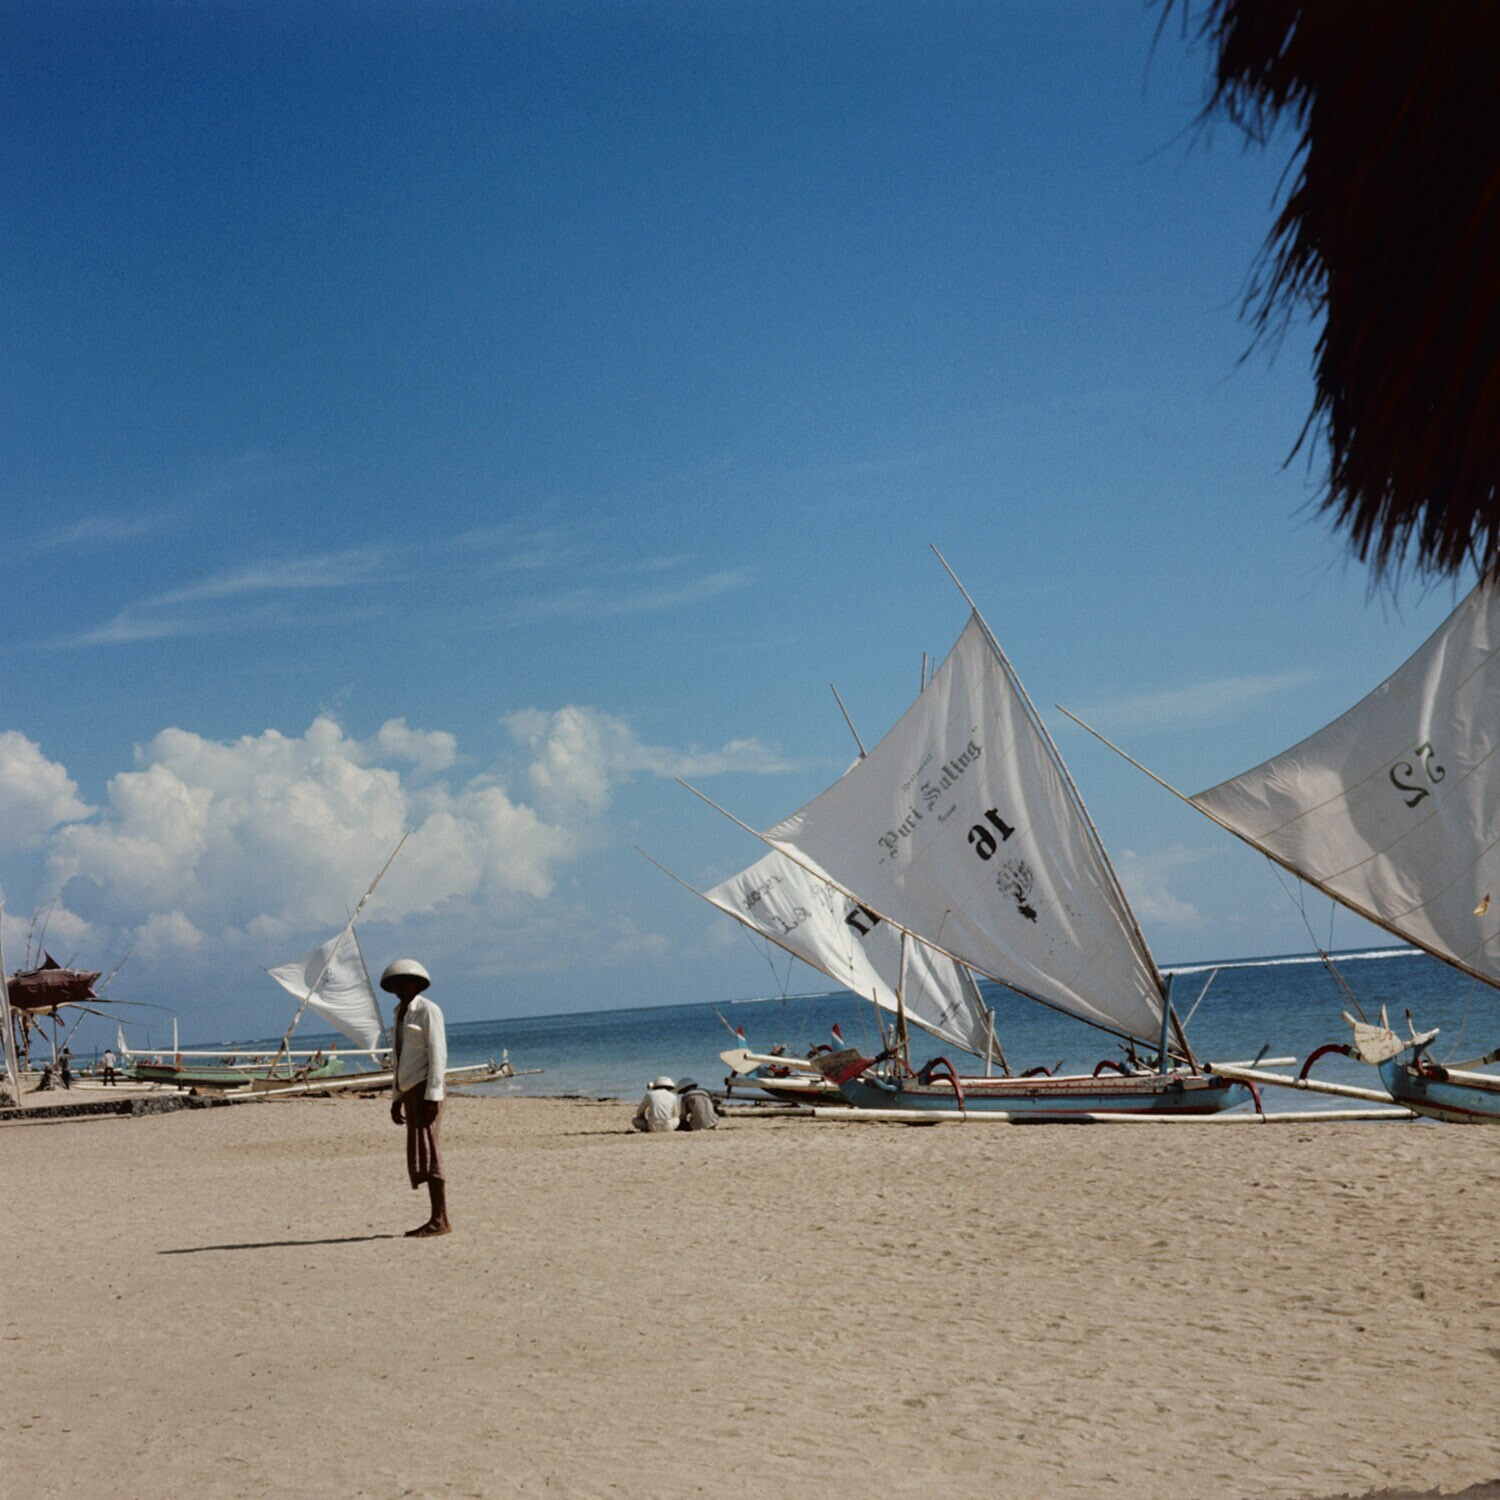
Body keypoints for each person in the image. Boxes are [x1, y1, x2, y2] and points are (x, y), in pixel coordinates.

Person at [381, 958, 451, 1238]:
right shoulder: (399, 1013)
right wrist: (396, 1097)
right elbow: (399, 1058)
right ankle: (436, 1217)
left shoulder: (428, 1010)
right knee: (421, 1152)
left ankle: (440, 1220)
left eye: (405, 982)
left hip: (426, 1088)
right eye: (396, 984)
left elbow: (438, 1053)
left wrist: (433, 1094)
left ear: (417, 984)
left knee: (431, 1150)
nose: (400, 988)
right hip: (409, 1089)